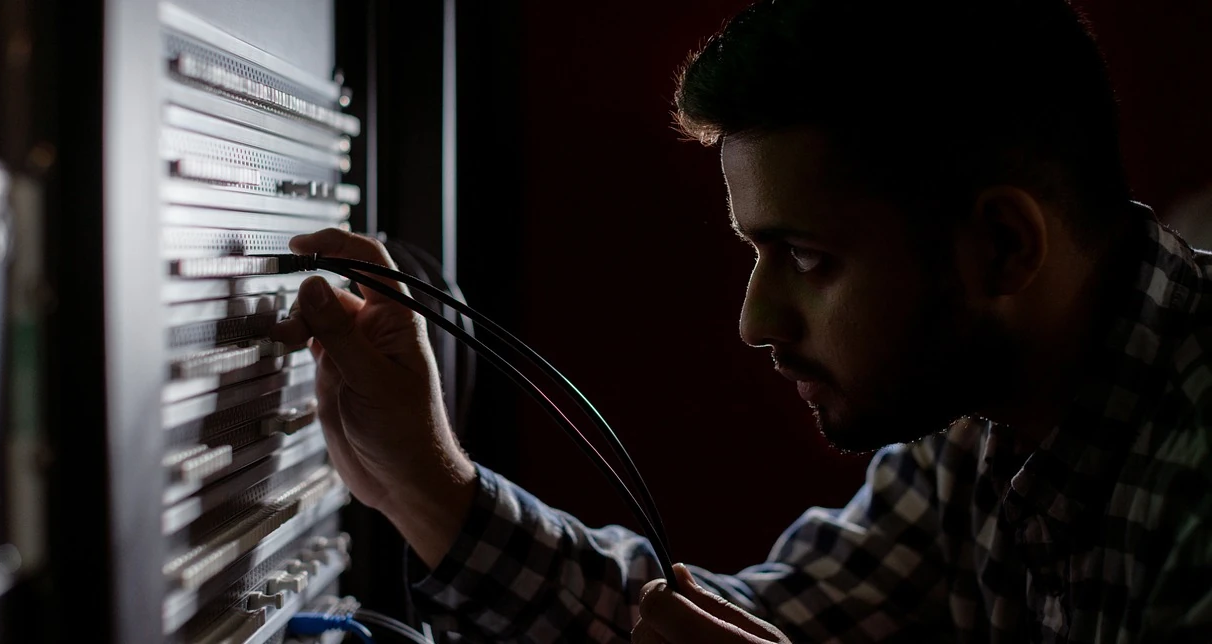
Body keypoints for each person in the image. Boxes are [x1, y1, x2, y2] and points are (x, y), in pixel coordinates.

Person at [271, 0, 1212, 641]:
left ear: (1005, 246)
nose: (755, 320)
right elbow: (733, 622)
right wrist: (423, 482)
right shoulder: (980, 426)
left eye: (808, 259)